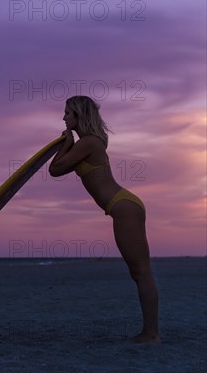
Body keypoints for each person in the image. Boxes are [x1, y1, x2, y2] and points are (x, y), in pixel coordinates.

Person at [48, 95, 160, 344]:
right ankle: (150, 332)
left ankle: (151, 334)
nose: (63, 117)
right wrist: (67, 142)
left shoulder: (89, 142)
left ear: (78, 115)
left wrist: (66, 142)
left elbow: (54, 170)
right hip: (121, 206)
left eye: (67, 113)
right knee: (137, 272)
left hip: (124, 207)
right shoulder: (87, 142)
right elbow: (56, 168)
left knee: (141, 272)